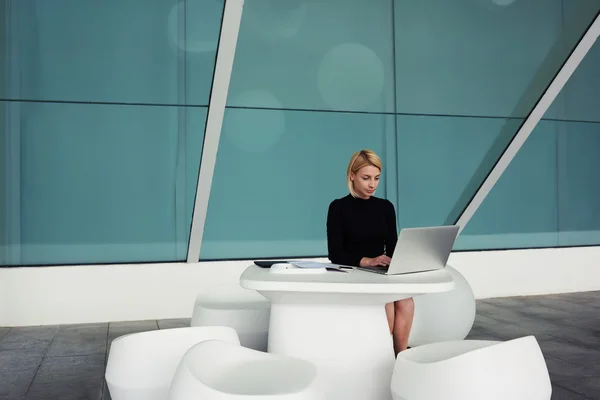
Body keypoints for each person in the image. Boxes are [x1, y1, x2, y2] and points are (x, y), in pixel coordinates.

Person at [326, 149, 414, 355]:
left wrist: (401, 260)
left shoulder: (385, 207)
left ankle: (400, 357)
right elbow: (335, 253)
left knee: (406, 301)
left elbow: (392, 245)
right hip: (354, 270)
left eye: (376, 178)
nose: (372, 184)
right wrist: (367, 261)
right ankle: (381, 356)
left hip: (381, 271)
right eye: (366, 178)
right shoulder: (338, 208)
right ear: (352, 175)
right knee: (388, 304)